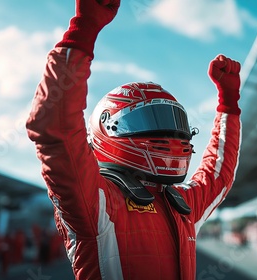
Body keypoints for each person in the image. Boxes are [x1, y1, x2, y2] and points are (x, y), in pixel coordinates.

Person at [25, 0, 242, 279]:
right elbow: (55, 127)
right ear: (108, 129)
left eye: (173, 126)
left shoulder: (181, 204)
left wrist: (228, 105)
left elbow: (219, 172)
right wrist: (83, 31)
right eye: (149, 123)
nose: (168, 135)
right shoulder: (95, 201)